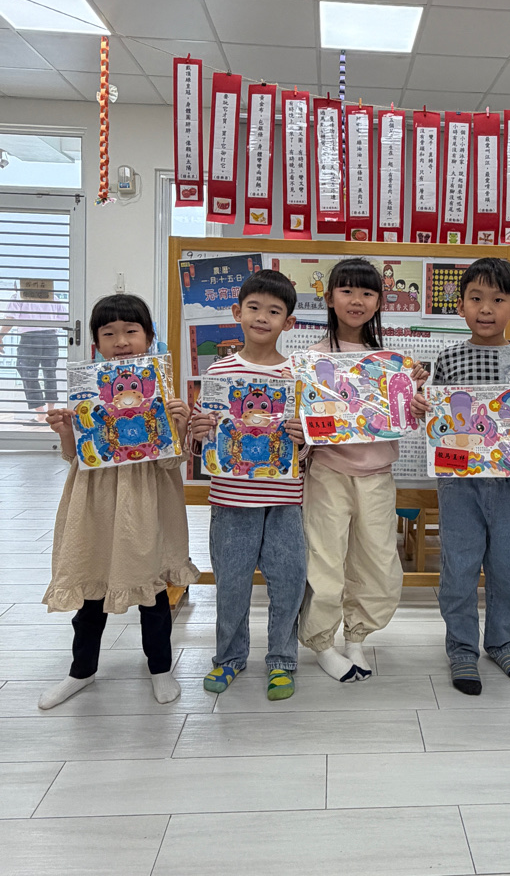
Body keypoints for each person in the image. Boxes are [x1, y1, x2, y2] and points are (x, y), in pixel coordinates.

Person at [410, 258, 510, 695]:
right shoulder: (447, 358)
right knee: (459, 566)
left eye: (497, 300)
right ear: (460, 306)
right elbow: (437, 420)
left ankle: (501, 642)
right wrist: (423, 409)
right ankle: (462, 648)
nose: (485, 309)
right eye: (475, 298)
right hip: (458, 483)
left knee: (508, 566)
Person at [39, 294, 199, 710]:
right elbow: (76, 456)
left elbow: (173, 460)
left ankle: (160, 668)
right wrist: (66, 431)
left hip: (146, 500)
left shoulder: (161, 389)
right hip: (95, 503)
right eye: (109, 334)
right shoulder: (87, 388)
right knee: (92, 587)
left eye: (131, 331)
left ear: (149, 337)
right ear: (96, 343)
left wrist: (180, 426)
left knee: (152, 590)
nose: (121, 341)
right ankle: (81, 670)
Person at [299, 258, 424, 682]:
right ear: (329, 298)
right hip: (327, 472)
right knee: (324, 559)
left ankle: (357, 637)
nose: (357, 300)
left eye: (367, 292)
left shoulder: (391, 363)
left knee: (377, 560)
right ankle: (322, 642)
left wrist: (415, 398)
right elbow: (302, 424)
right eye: (347, 290)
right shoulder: (311, 359)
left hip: (377, 474)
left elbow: (405, 421)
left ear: (379, 302)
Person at [189, 270, 308, 701]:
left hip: (285, 500)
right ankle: (229, 658)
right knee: (232, 584)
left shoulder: (298, 375)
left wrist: (304, 439)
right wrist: (199, 430)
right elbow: (204, 435)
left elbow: (309, 443)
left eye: (274, 311)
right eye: (254, 308)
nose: (262, 317)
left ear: (288, 322)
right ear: (237, 312)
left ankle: (282, 660)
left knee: (289, 582)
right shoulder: (219, 371)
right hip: (230, 499)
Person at [0, 289, 67, 422]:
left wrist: (1, 336)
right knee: (50, 374)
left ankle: (41, 413)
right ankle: (51, 412)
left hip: (30, 337)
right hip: (51, 337)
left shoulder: (19, 296)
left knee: (27, 372)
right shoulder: (52, 296)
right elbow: (64, 318)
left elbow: (10, 319)